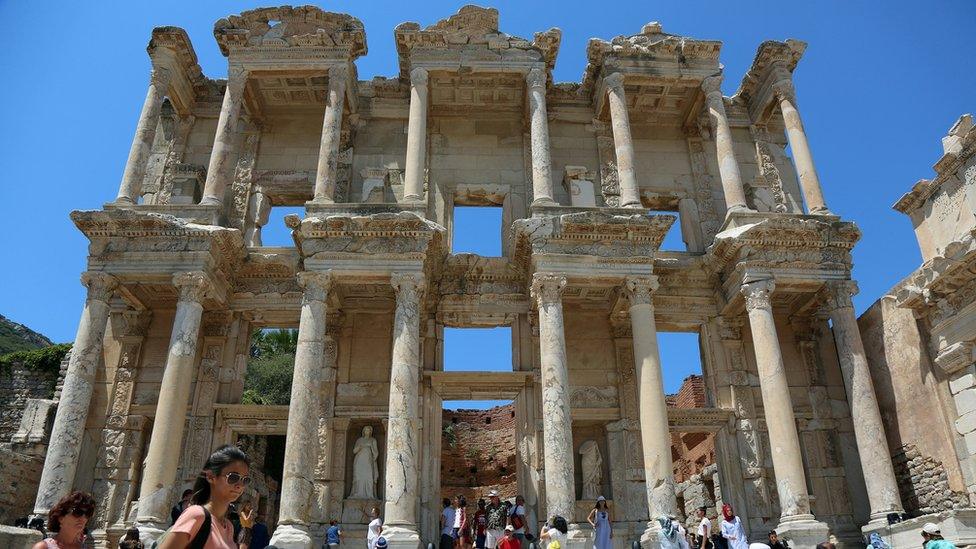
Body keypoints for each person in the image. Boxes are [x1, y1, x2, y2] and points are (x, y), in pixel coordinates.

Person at [158, 445, 250, 549]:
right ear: (211, 476)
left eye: (245, 480)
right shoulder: (196, 515)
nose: (240, 485)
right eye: (233, 477)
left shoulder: (229, 527)